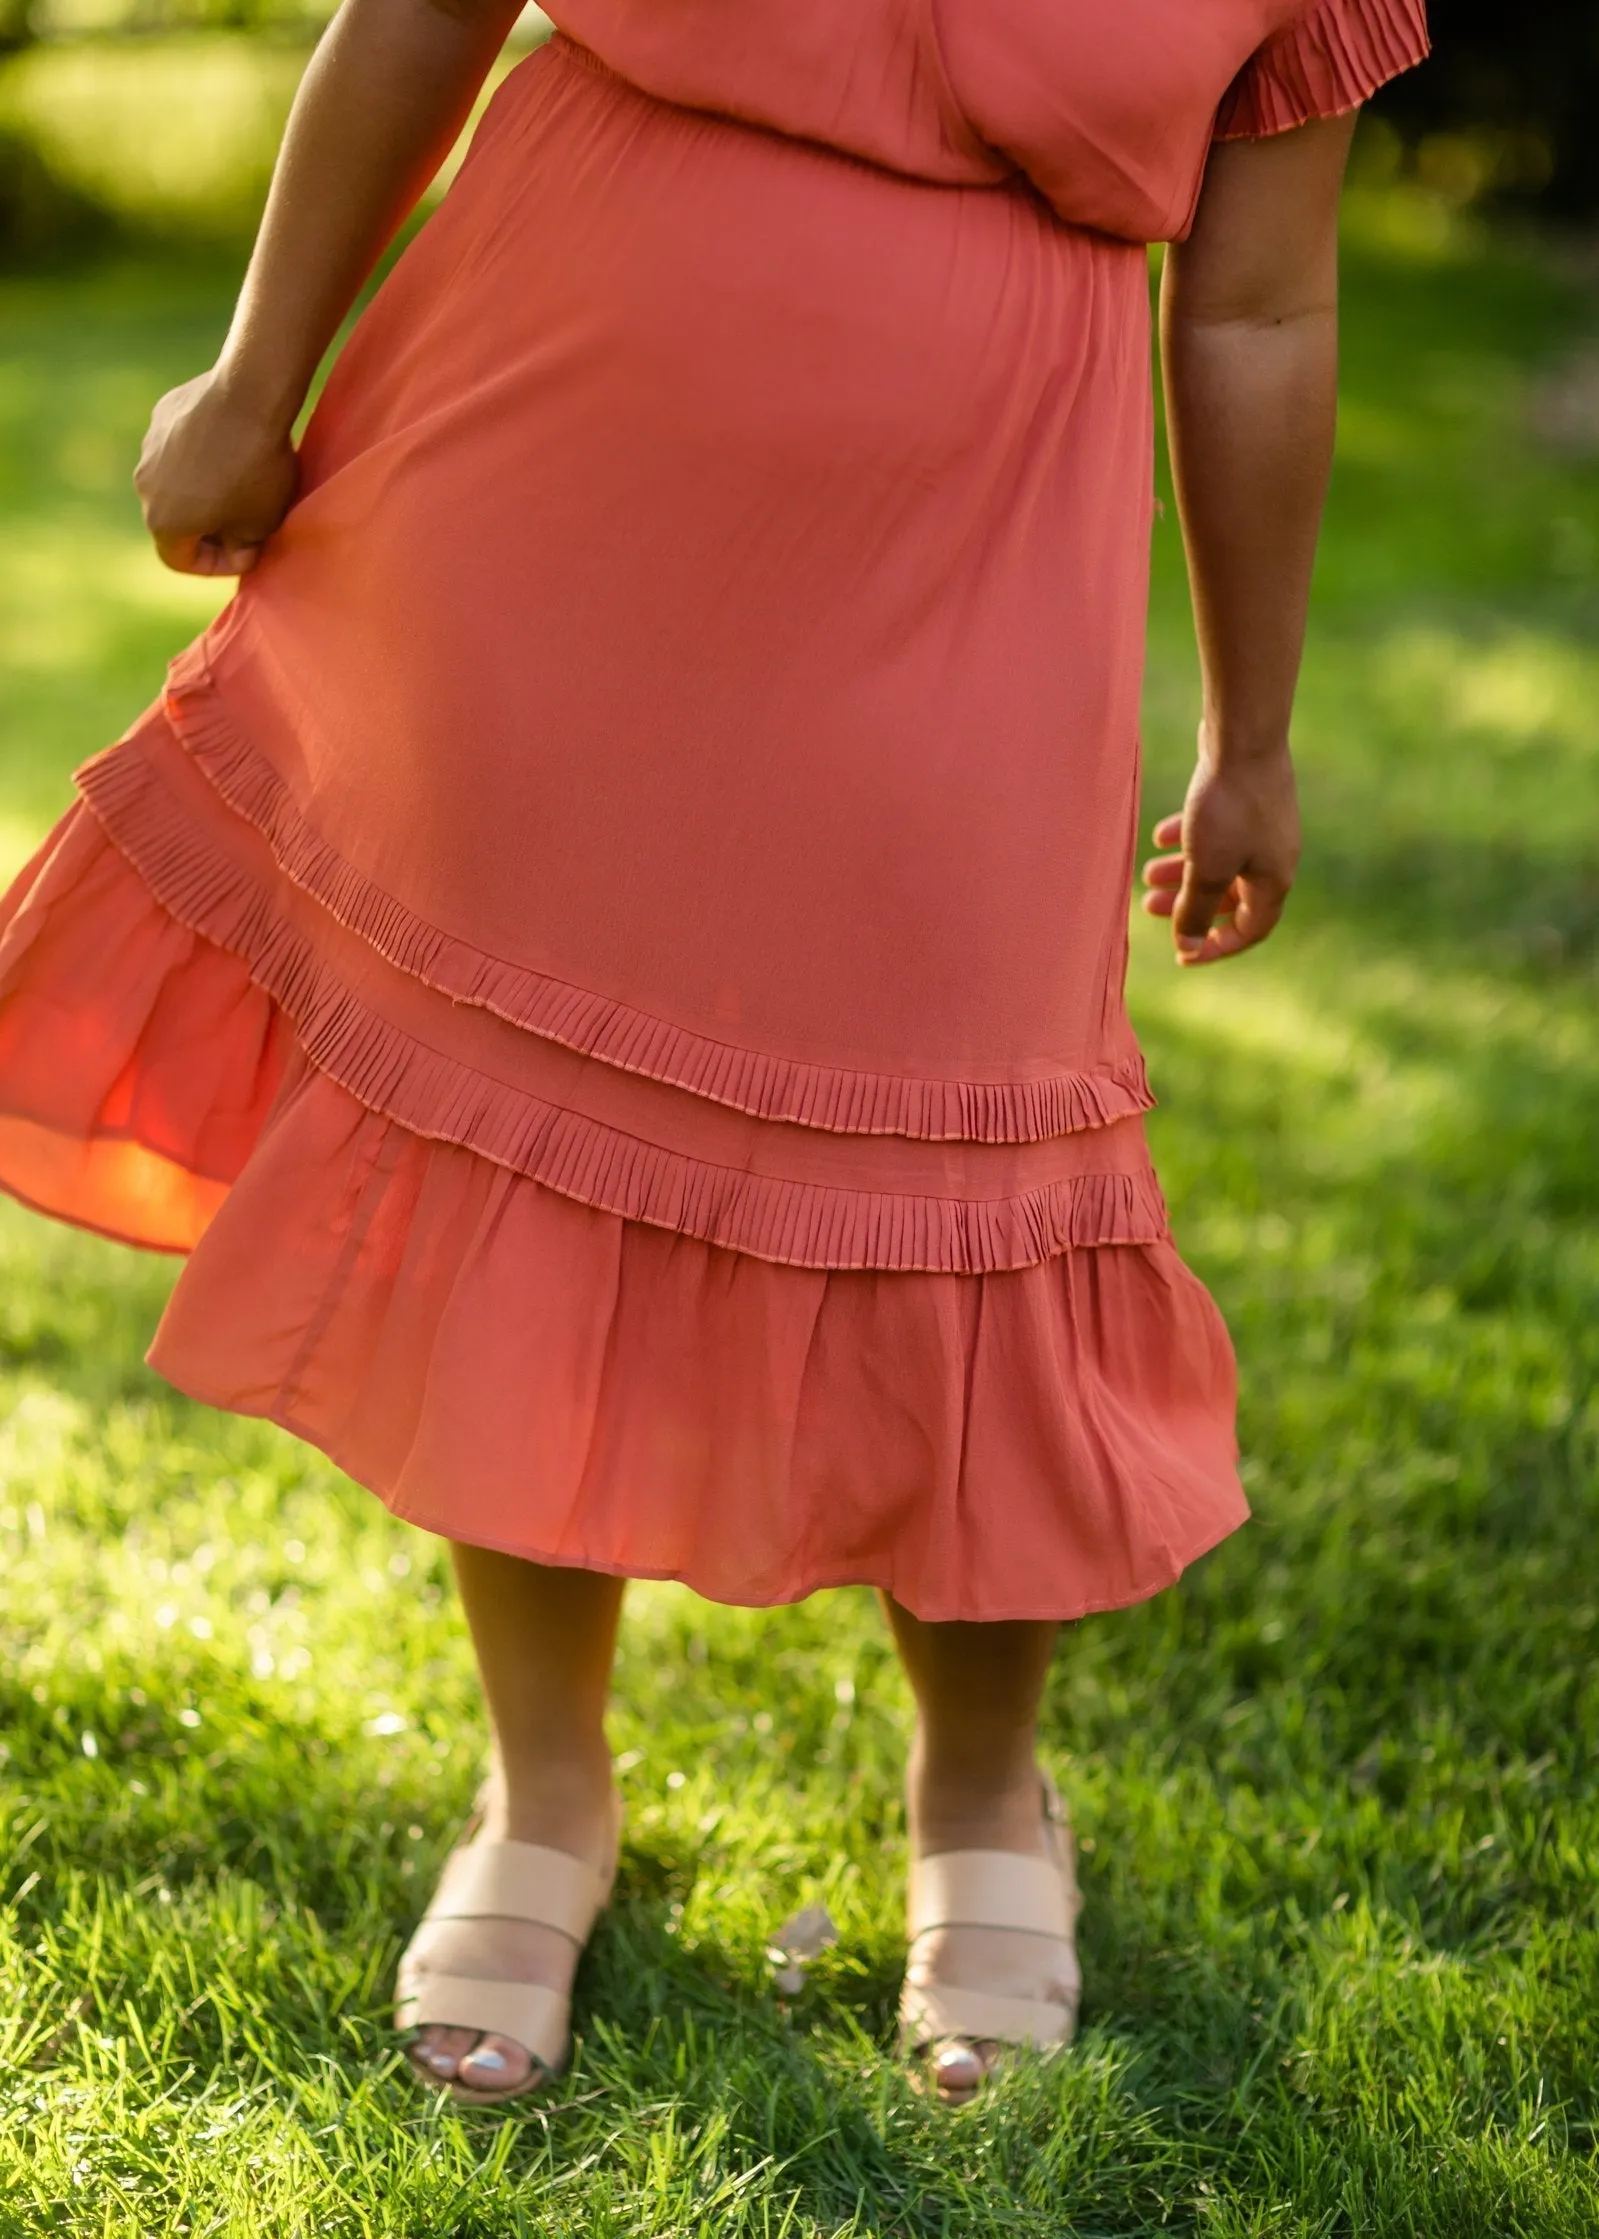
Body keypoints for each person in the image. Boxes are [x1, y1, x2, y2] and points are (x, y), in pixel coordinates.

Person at [0, 0, 1427, 2107]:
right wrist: (253, 370)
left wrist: (1251, 732)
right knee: (535, 1114)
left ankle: (981, 1798)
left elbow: (1256, 308)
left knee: (969, 1145)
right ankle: (546, 1796)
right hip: (544, 453)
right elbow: (421, 14)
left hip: (976, 541)